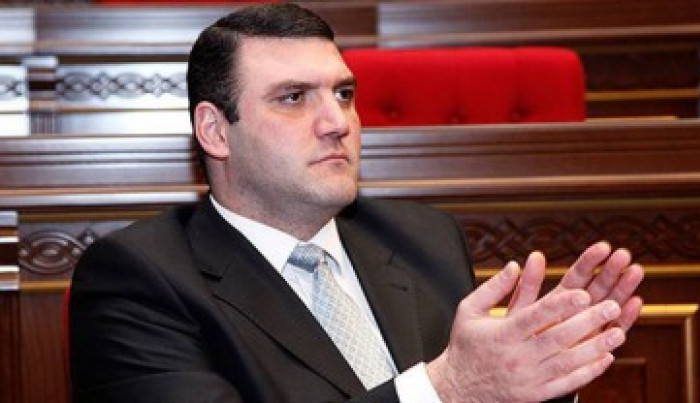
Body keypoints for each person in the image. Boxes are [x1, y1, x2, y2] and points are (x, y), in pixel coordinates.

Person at [69, 4, 644, 402]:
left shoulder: (424, 240)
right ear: (216, 131)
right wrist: (445, 389)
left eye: (344, 94)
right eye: (293, 98)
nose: (337, 122)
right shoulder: (141, 278)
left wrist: (539, 375)